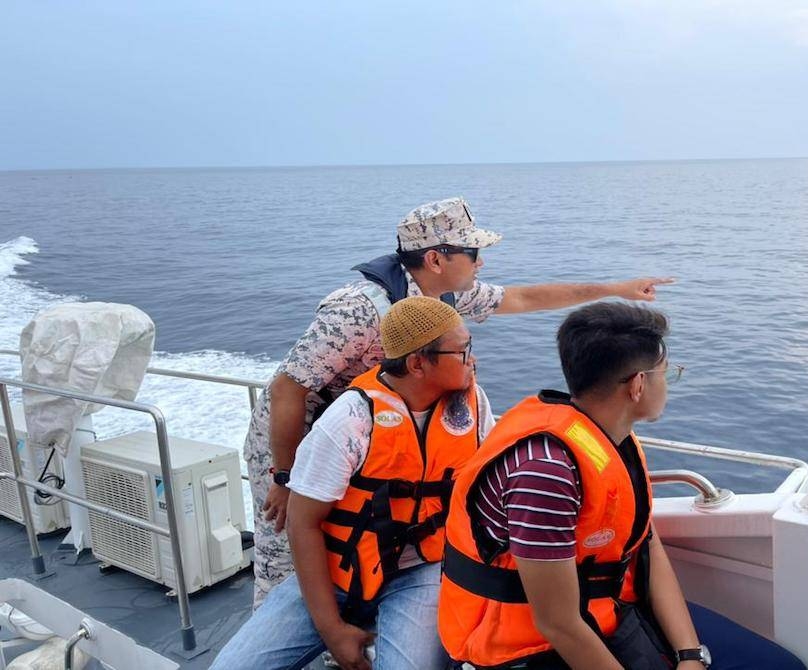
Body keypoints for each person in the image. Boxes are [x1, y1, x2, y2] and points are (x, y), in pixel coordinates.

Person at [246, 196, 673, 607]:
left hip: (369, 436)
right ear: (435, 259)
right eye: (473, 251)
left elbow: (524, 298)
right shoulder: (358, 309)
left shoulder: (445, 296)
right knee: (287, 562)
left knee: (361, 542)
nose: (481, 262)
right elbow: (288, 389)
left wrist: (618, 289)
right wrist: (284, 476)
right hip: (296, 440)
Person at [438, 303, 805, 670]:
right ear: (638, 385)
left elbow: (645, 544)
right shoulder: (545, 473)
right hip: (526, 651)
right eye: (667, 373)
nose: (668, 383)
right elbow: (558, 624)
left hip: (610, 614)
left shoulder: (611, 439)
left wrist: (690, 655)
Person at [213, 296, 494, 670]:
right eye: (462, 351)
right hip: (338, 570)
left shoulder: (471, 405)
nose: (472, 359)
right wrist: (332, 630)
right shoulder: (350, 421)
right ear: (417, 363)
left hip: (421, 568)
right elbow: (303, 522)